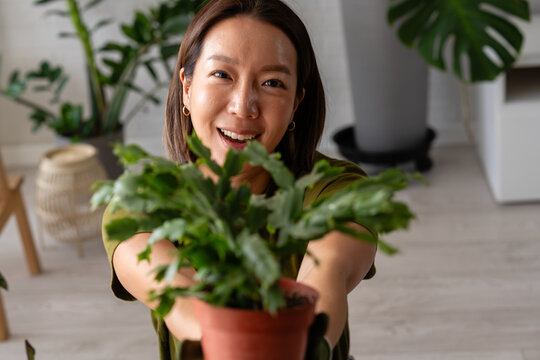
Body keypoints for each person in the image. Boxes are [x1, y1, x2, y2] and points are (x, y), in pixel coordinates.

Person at [102, 0, 377, 359]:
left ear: (296, 104)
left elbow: (327, 273)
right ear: (186, 86)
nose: (243, 105)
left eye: (272, 82)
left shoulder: (337, 190)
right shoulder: (142, 201)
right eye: (222, 75)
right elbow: (183, 298)